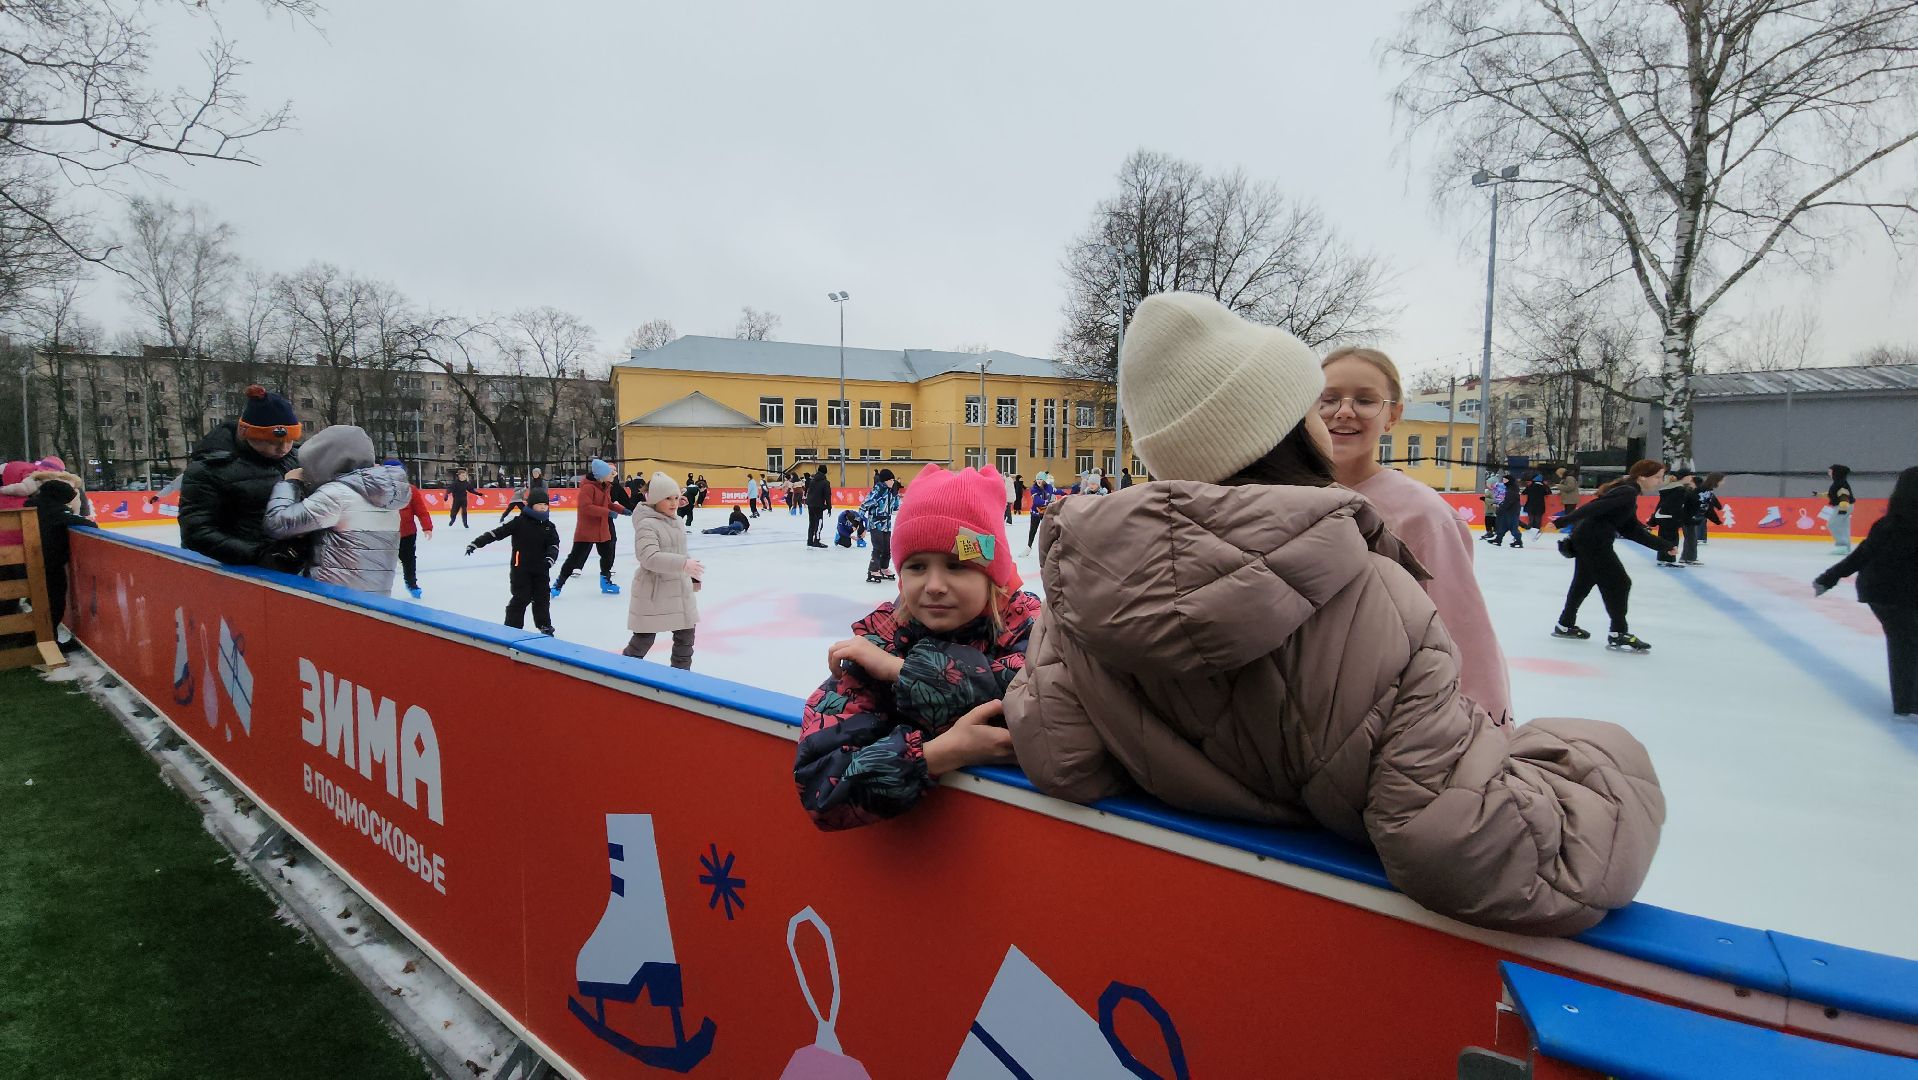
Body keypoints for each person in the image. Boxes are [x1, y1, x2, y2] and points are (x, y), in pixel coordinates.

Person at [1004, 292, 1664, 936]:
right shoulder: (1371, 597)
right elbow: (1470, 843)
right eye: (1312, 404)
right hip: (1305, 945)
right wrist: (1601, 759)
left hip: (1172, 931)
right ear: (1287, 432)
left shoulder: (1075, 592)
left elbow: (1065, 759)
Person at [795, 464, 1041, 830]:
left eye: (956, 566)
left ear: (993, 574)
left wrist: (900, 672)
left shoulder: (1033, 630)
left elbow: (1032, 711)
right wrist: (937, 755)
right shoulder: (883, 638)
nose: (934, 585)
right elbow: (822, 786)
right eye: (917, 566)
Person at [1318, 345, 1513, 724]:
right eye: (1328, 399)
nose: (1344, 411)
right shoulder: (1285, 495)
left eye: (1365, 400)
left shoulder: (1424, 515)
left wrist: (1487, 725)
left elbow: (1462, 631)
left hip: (1382, 716)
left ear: (1392, 416)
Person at [1816, 466, 1918, 717]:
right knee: (1905, 643)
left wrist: (1829, 578)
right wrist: (1830, 577)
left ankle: (1906, 701)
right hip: (1891, 594)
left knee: (1903, 643)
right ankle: (1907, 702)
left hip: (1882, 592)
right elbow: (1863, 554)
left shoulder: (1887, 524)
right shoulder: (1890, 525)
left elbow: (1862, 554)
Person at [263, 425, 409, 593]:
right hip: (374, 597)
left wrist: (290, 483)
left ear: (326, 461)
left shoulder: (338, 494)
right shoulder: (383, 496)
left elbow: (277, 524)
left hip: (332, 596)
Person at [180, 385, 306, 572]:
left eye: (289, 440)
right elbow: (197, 532)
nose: (283, 449)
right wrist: (259, 554)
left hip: (297, 568)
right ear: (247, 434)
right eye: (271, 442)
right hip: (242, 572)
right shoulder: (209, 469)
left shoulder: (297, 458)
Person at [1552, 460, 1676, 650]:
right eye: (1657, 477)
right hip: (1594, 542)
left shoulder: (1628, 492)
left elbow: (1631, 529)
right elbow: (1595, 507)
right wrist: (1563, 521)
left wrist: (1663, 546)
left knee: (1583, 583)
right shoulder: (1628, 492)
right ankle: (1618, 632)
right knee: (1620, 583)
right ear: (1642, 477)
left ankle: (1565, 624)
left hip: (1587, 539)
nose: (1660, 481)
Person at [624, 473, 704, 669]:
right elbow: (649, 557)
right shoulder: (647, 524)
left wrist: (691, 575)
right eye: (667, 498)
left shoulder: (676, 521)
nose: (674, 503)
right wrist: (683, 564)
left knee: (686, 639)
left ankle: (680, 678)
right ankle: (621, 673)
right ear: (654, 499)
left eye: (676, 497)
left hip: (678, 588)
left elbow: (679, 551)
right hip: (654, 590)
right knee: (643, 640)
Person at [465, 491, 560, 635]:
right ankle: (512, 627)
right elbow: (497, 533)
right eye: (539, 504)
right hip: (520, 568)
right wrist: (477, 543)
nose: (543, 507)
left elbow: (553, 545)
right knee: (521, 597)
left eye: (545, 505)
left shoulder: (549, 526)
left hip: (541, 568)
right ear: (531, 505)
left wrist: (550, 559)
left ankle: (544, 625)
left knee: (542, 597)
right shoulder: (519, 522)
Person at [554, 458, 624, 598]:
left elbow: (608, 504)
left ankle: (606, 581)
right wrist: (607, 512)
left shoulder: (605, 486)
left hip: (602, 529)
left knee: (607, 555)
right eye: (608, 473)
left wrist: (622, 510)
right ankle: (558, 584)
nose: (611, 475)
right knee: (574, 558)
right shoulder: (588, 488)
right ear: (601, 475)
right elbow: (586, 507)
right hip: (587, 530)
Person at [392, 459, 434, 599]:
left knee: (409, 559)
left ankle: (411, 583)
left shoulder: (411, 490)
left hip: (407, 533)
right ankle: (378, 587)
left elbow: (421, 510)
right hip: (385, 533)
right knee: (383, 562)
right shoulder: (378, 490)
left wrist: (427, 527)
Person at [861, 469, 901, 584]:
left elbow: (895, 507)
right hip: (876, 523)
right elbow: (864, 505)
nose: (893, 482)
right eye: (891, 480)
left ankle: (883, 568)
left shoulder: (891, 492)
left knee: (887, 548)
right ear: (885, 480)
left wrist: (897, 499)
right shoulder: (877, 492)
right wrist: (860, 522)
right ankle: (873, 570)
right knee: (878, 547)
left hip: (886, 524)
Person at [1652, 469, 1698, 567]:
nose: (1691, 478)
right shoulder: (1680, 489)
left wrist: (1654, 517)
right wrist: (1681, 518)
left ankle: (1661, 558)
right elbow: (1677, 506)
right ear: (1685, 477)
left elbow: (1662, 503)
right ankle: (1670, 560)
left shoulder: (1668, 487)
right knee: (1672, 538)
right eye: (1690, 476)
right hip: (1670, 517)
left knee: (1663, 537)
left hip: (1661, 515)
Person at [1822, 464, 1855, 553]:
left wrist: (1843, 508)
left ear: (1836, 472)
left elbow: (1844, 495)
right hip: (1846, 506)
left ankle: (1842, 545)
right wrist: (1819, 494)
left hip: (1843, 506)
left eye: (1830, 471)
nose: (1828, 473)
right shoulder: (1839, 482)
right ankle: (1846, 547)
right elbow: (1832, 494)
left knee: (1833, 524)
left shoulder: (1840, 483)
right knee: (1843, 526)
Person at [1487, 472, 1524, 548]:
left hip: (1512, 511)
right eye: (1503, 480)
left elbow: (1509, 501)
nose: (1504, 481)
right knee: (1502, 526)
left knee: (1513, 527)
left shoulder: (1512, 489)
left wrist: (1500, 509)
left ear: (1509, 481)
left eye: (1505, 480)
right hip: (1507, 511)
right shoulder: (1508, 488)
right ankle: (1498, 539)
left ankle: (1518, 541)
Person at [1023, 474, 1056, 556]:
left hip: (1045, 513)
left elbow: (1056, 491)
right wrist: (1046, 502)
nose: (1039, 480)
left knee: (1048, 531)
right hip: (1036, 513)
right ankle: (1029, 547)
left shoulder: (1049, 487)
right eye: (1037, 479)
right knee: (1033, 530)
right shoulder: (1034, 489)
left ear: (1044, 480)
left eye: (1041, 479)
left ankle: (1050, 548)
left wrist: (1066, 494)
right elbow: (1037, 501)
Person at [1692, 472, 1726, 552]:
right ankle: (1699, 538)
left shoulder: (1708, 488)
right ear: (1716, 480)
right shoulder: (1704, 487)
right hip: (1696, 508)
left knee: (1702, 519)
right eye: (1722, 480)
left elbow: (1711, 497)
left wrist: (1718, 506)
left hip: (1701, 508)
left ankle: (1701, 538)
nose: (1723, 483)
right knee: (1700, 518)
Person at [805, 465, 832, 548]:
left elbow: (809, 491)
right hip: (818, 505)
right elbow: (827, 495)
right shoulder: (825, 482)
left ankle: (810, 541)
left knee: (812, 522)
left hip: (810, 504)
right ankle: (816, 541)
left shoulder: (812, 481)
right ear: (825, 472)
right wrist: (829, 507)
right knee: (819, 523)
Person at [1523, 472, 1551, 539]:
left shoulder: (1530, 486)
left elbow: (1524, 493)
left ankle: (1530, 530)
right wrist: (1546, 485)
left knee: (1531, 519)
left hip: (1530, 505)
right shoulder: (1543, 487)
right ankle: (1537, 530)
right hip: (1540, 506)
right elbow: (1549, 492)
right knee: (1538, 519)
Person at [1554, 467, 1581, 532]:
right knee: (1568, 514)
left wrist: (1558, 486)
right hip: (1568, 500)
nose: (1558, 476)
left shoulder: (1569, 478)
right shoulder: (1566, 478)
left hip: (1571, 500)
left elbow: (1570, 487)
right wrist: (1561, 492)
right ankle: (1572, 528)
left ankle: (1575, 528)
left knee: (1570, 515)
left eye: (1558, 474)